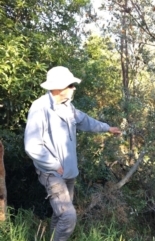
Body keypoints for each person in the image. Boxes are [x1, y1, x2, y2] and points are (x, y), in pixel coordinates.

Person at [24, 66, 121, 241]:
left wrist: (107, 128)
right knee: (68, 217)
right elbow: (32, 145)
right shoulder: (40, 108)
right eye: (71, 85)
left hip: (69, 172)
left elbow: (85, 121)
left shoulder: (68, 106)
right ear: (58, 87)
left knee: (59, 215)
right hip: (52, 173)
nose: (74, 88)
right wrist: (54, 165)